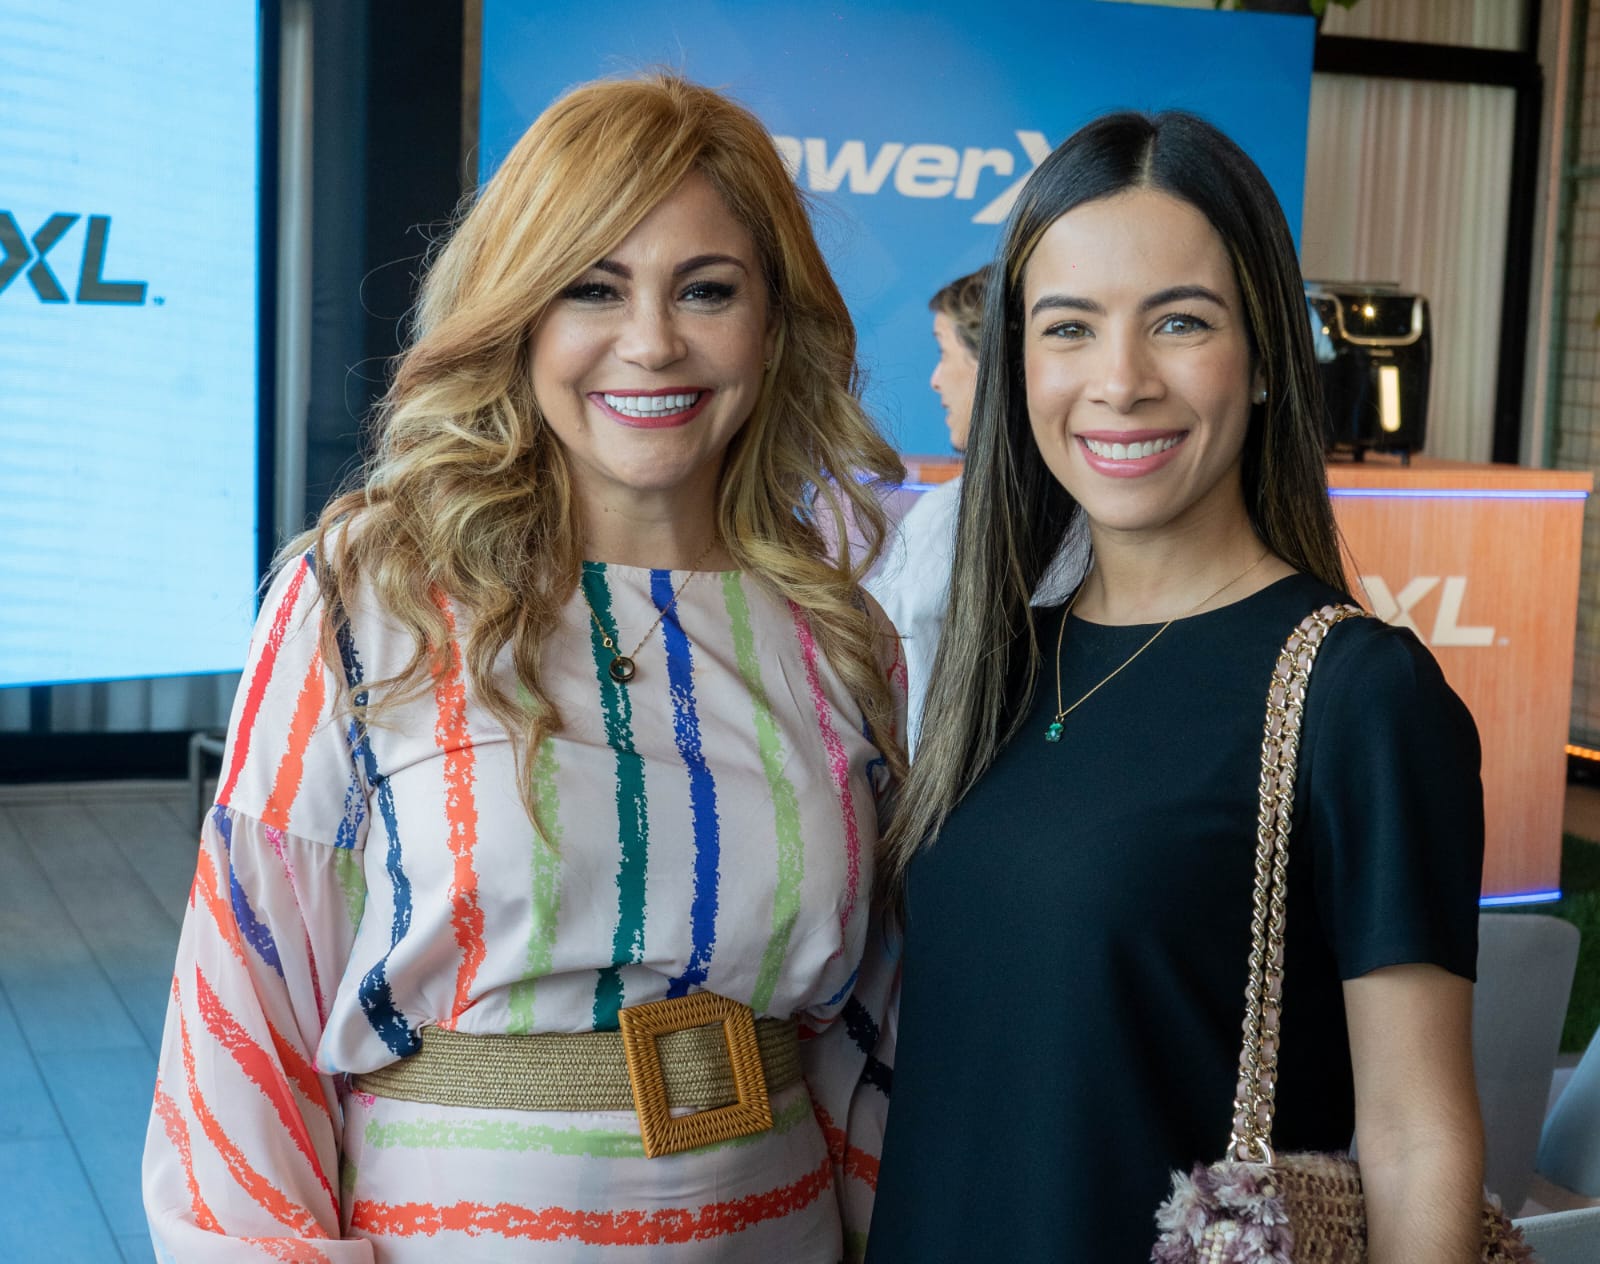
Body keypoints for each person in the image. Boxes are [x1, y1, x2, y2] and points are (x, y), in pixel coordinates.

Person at [143, 73, 906, 1262]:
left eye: (706, 289)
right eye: (592, 287)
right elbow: (243, 1015)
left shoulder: (837, 632)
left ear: (772, 324)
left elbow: (868, 1044)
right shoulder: (370, 591)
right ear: (518, 317)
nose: (650, 341)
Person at [867, 111, 1486, 1262]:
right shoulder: (996, 662)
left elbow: (1416, 1134)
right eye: (1068, 328)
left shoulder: (1357, 693)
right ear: (1020, 365)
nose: (1120, 380)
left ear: (1266, 358)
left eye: (1180, 322)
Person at [866, 267, 986, 747]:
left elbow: (897, 684)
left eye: (944, 352)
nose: (936, 380)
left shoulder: (953, 515)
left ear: (991, 364)